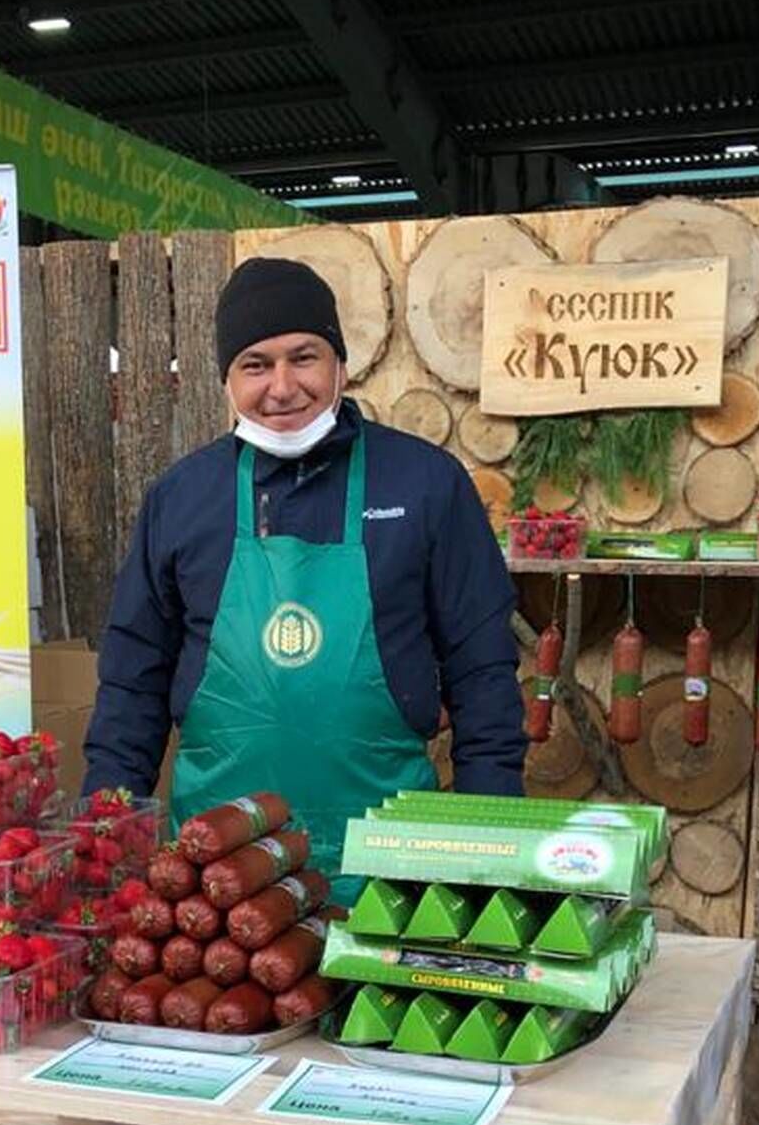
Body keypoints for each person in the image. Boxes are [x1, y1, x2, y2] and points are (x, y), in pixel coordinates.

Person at [82, 255, 524, 880]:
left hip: (386, 864)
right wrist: (106, 832)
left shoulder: (426, 484)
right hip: (220, 881)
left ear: (341, 363)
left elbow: (482, 672)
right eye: (255, 365)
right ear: (227, 380)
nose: (282, 386)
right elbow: (133, 682)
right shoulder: (183, 499)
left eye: (304, 357)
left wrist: (489, 840)